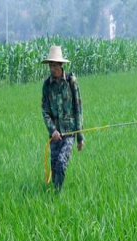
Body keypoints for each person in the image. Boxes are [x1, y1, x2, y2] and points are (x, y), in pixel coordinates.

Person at [41, 45, 85, 191]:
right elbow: (45, 111)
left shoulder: (71, 81)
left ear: (60, 65)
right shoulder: (47, 85)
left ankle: (58, 194)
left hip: (68, 133)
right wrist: (52, 130)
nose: (52, 68)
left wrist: (80, 137)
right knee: (54, 167)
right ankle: (55, 194)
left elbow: (78, 108)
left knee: (61, 162)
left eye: (54, 65)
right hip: (54, 135)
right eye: (50, 65)